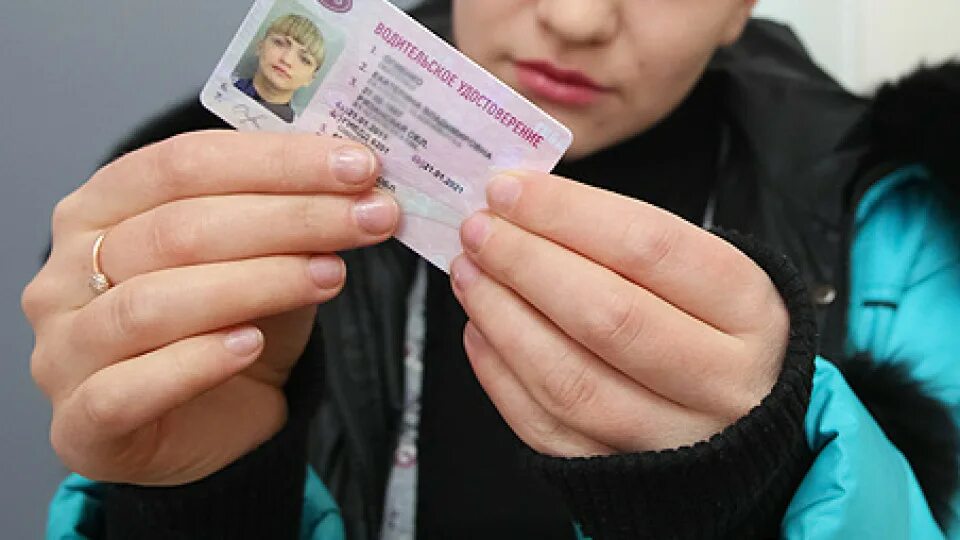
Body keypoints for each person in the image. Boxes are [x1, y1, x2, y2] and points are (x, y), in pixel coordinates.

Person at [24, 0, 960, 538]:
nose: (576, 15)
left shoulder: (905, 227)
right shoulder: (222, 202)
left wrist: (756, 495)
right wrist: (206, 498)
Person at [234, 13, 325, 123]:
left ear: (310, 79)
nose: (286, 60)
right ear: (260, 46)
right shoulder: (214, 86)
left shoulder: (298, 134)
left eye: (304, 59)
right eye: (279, 43)